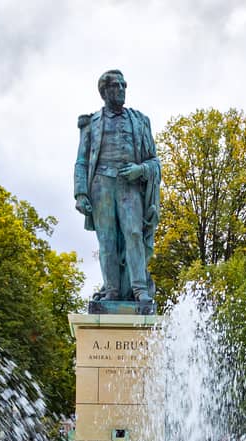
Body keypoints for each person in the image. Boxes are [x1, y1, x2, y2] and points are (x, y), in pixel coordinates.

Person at [73, 70, 161, 308]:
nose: (121, 89)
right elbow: (81, 161)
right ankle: (111, 290)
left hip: (129, 183)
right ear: (104, 91)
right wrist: (81, 193)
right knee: (107, 239)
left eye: (124, 85)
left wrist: (140, 170)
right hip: (101, 184)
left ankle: (140, 289)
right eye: (115, 85)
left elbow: (154, 160)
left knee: (134, 234)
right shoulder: (91, 123)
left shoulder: (140, 121)